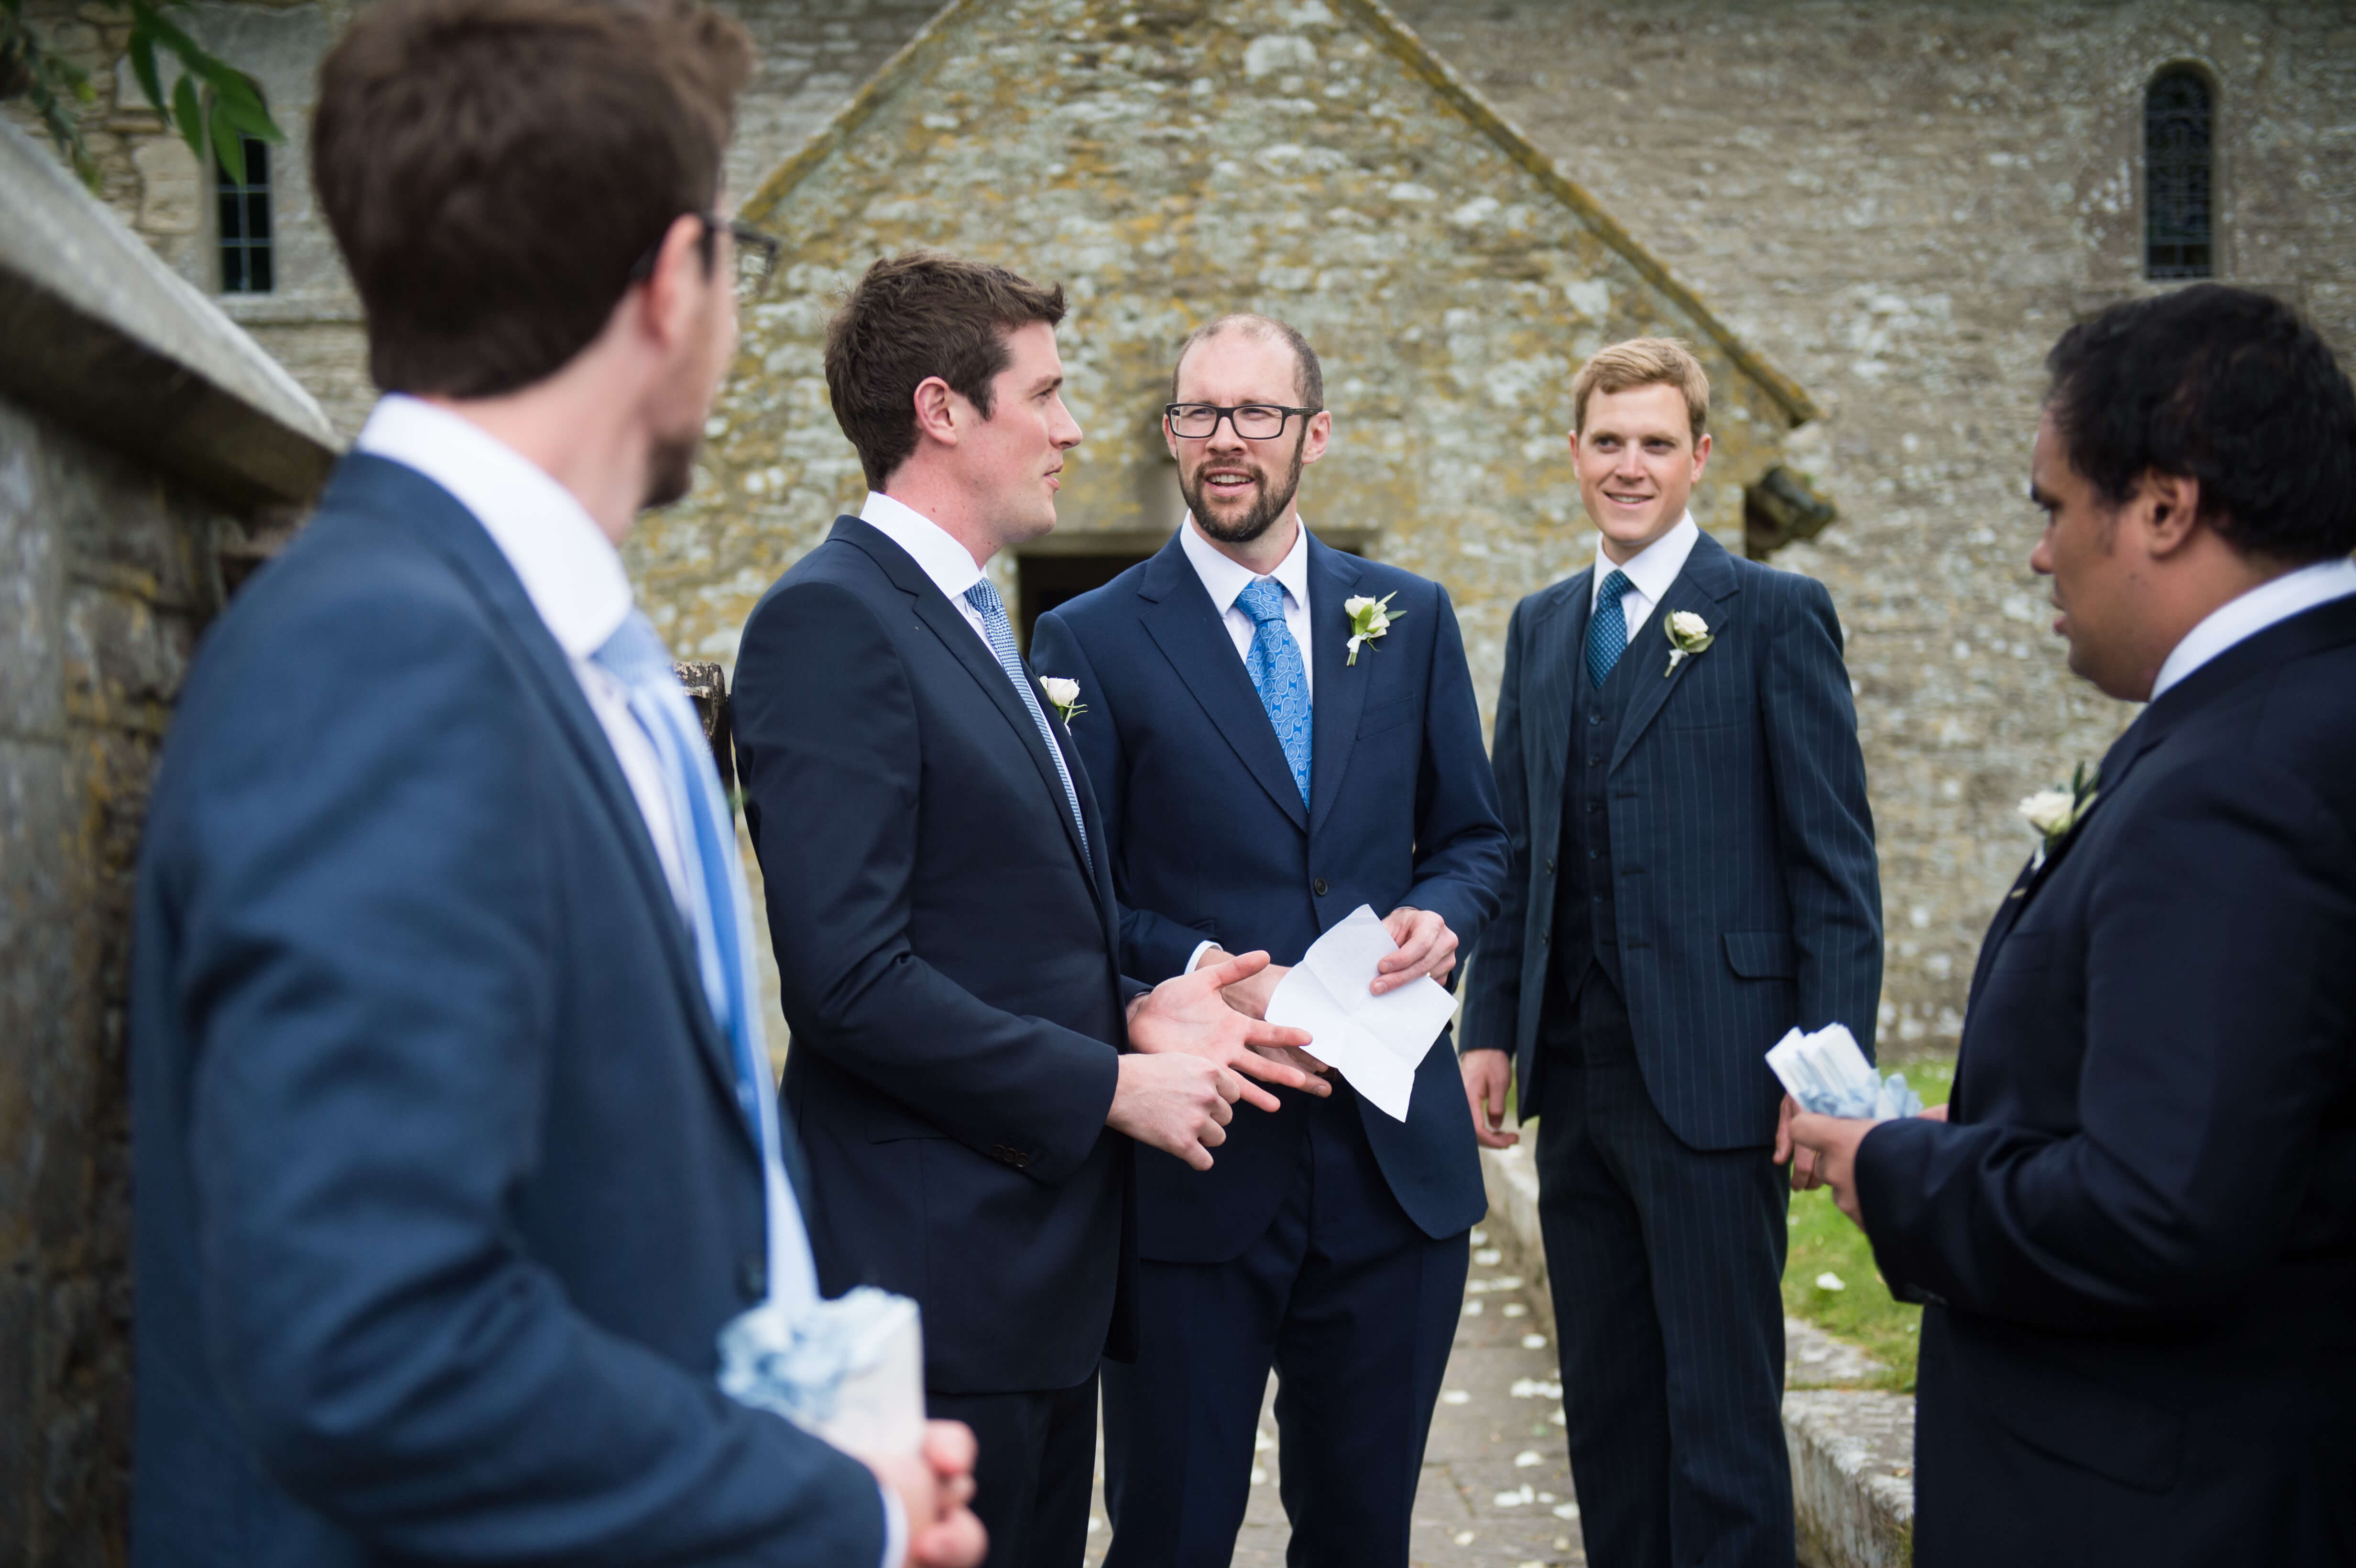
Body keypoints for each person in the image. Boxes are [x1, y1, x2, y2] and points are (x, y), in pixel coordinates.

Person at [128, 1, 983, 1564]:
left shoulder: (532, 644)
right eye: (737, 259)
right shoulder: (382, 664)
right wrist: (820, 1507)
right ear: (671, 284)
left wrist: (809, 1442)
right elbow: (373, 1350)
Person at [731, 255, 1319, 1568]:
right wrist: (1110, 1084)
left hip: (1036, 1286)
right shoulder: (830, 625)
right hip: (941, 1287)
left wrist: (1144, 1007)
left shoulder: (972, 622)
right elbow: (848, 982)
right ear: (944, 410)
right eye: (1045, 394)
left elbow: (998, 928)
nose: (1072, 428)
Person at [1788, 283, 2356, 1565]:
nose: (2041, 553)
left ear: (2164, 506)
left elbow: (2164, 1216)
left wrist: (1899, 1172)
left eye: (2054, 507)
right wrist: (1998, 1133)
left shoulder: (2242, 776)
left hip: (2155, 1509)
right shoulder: (2297, 711)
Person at [1029, 316, 1510, 1567]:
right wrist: (1202, 973)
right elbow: (1076, 893)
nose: (1225, 442)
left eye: (1257, 415)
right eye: (1199, 415)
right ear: (1171, 433)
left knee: (1362, 1539)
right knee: (1172, 1534)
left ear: (1315, 433)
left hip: (1392, 1166)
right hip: (1200, 1166)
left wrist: (1443, 910)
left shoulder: (1407, 617)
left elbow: (1475, 837)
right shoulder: (1088, 640)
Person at [1457, 338, 1882, 1568]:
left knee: (1721, 1416)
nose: (1628, 465)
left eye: (1655, 443)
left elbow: (1834, 869)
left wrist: (1824, 1081)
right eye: (1607, 441)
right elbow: (1520, 840)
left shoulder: (1774, 615)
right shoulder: (1542, 627)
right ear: (1574, 454)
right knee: (1607, 1409)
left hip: (1722, 1082)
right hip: (1575, 1083)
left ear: (1700, 457)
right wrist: (1491, 1023)